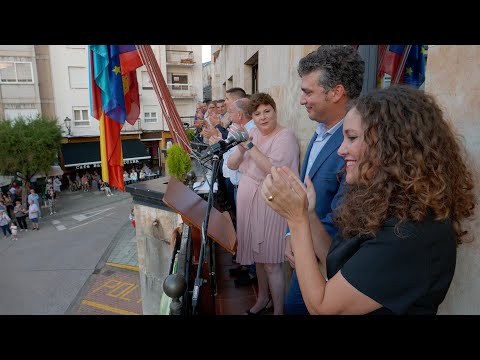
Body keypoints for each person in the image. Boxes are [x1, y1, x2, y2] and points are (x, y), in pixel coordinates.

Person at [261, 85, 476, 315]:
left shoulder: (408, 234)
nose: (341, 150)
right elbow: (338, 264)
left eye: (351, 138)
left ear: (392, 146)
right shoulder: (386, 203)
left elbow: (322, 307)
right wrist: (309, 214)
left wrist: (296, 220)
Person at [283, 45, 365, 315]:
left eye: (308, 92)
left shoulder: (357, 148)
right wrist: (290, 234)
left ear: (336, 92)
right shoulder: (321, 132)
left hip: (329, 266)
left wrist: (301, 237)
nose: (301, 100)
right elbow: (305, 194)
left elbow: (342, 220)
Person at [227, 93, 300, 315]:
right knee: (258, 259)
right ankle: (262, 299)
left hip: (271, 203)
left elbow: (273, 170)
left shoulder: (285, 136)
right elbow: (231, 165)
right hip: (249, 202)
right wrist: (240, 146)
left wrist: (248, 145)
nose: (263, 117)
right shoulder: (252, 133)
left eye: (267, 111)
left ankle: (278, 310)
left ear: (275, 112)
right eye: (257, 113)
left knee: (271, 261)